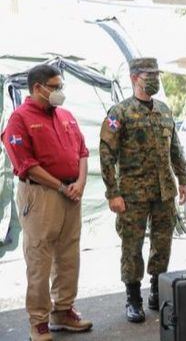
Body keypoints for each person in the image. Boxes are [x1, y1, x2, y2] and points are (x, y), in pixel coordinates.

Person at [2, 64, 92, 341]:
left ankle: (63, 311)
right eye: (55, 87)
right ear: (37, 88)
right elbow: (26, 165)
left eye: (60, 86)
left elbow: (82, 151)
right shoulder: (19, 119)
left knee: (68, 255)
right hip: (41, 194)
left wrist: (80, 183)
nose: (59, 92)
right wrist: (63, 187)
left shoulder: (66, 115)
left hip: (70, 192)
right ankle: (38, 321)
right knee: (40, 258)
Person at [99, 58, 186, 323]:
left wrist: (182, 179)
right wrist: (112, 192)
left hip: (164, 191)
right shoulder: (120, 112)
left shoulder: (164, 110)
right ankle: (133, 297)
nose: (154, 79)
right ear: (134, 77)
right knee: (132, 245)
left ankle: (155, 293)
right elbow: (106, 154)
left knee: (163, 243)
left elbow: (175, 148)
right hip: (132, 193)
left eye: (156, 74)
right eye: (149, 74)